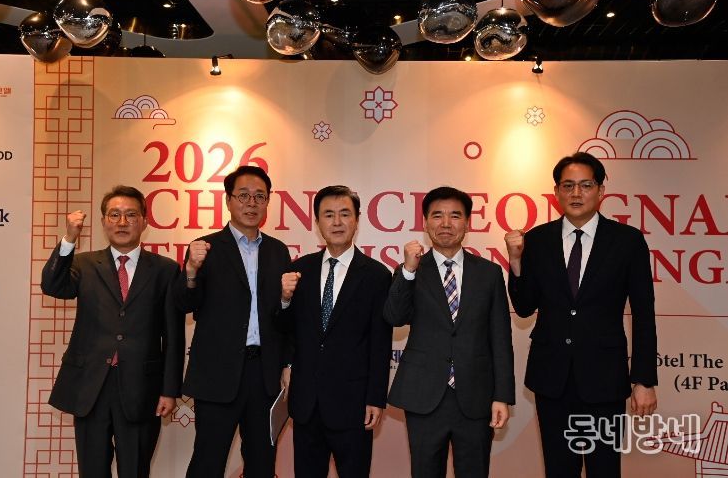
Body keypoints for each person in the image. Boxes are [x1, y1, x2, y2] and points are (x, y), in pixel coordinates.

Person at [504, 152, 658, 478]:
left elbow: (644, 314)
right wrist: (516, 261)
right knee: (559, 470)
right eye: (568, 185)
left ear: (601, 191)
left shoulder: (627, 241)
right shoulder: (537, 240)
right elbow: (525, 307)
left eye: (586, 185)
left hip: (605, 378)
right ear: (556, 192)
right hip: (552, 377)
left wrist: (643, 380)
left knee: (605, 469)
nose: (576, 193)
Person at [41, 185, 183, 478]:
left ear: (144, 221)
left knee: (135, 470)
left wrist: (170, 390)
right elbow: (52, 286)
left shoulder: (165, 270)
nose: (122, 222)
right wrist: (69, 239)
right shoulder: (83, 263)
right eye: (114, 215)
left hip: (141, 388)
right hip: (90, 386)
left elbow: (173, 337)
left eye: (131, 215)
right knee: (92, 471)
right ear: (103, 221)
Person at [384, 186, 515, 478]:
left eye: (455, 216)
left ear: (467, 223)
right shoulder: (411, 270)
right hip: (424, 395)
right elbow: (394, 317)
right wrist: (408, 271)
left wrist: (502, 396)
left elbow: (500, 339)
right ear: (425, 223)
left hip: (476, 397)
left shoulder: (489, 273)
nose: (446, 223)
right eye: (437, 216)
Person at [175, 165, 291, 478]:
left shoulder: (278, 252)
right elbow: (185, 304)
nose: (252, 203)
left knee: (262, 464)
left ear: (268, 202)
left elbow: (284, 319)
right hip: (217, 374)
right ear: (228, 200)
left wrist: (286, 362)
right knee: (207, 463)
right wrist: (190, 271)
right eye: (243, 195)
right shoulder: (205, 248)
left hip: (263, 375)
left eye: (260, 196)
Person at [279, 185, 392, 478]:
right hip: (307, 403)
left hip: (353, 404)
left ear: (357, 220)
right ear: (317, 222)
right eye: (328, 215)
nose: (337, 222)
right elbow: (288, 330)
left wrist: (376, 397)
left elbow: (380, 343)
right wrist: (284, 301)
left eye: (345, 214)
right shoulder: (299, 270)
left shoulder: (377, 275)